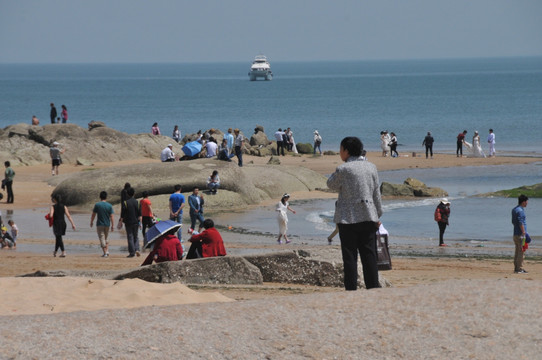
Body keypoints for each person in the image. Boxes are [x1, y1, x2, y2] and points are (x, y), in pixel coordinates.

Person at [327, 136, 383, 290]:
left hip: (347, 219)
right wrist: (377, 215)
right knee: (369, 256)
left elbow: (330, 184)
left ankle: (351, 290)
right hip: (368, 216)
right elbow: (376, 193)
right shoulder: (371, 167)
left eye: (341, 149)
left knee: (350, 257)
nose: (340, 153)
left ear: (346, 150)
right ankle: (373, 288)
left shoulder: (343, 169)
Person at [90, 191, 114, 257]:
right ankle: (107, 251)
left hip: (100, 224)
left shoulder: (97, 205)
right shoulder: (109, 205)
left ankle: (105, 253)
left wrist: (91, 222)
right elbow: (112, 216)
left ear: (100, 197)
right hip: (107, 224)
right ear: (106, 197)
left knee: (101, 238)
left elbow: (93, 214)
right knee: (106, 238)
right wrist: (113, 225)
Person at [118, 187, 141, 258]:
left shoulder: (125, 202)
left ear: (127, 194)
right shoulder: (137, 202)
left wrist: (120, 222)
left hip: (128, 222)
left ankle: (132, 252)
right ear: (134, 194)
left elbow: (123, 214)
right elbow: (140, 214)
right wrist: (140, 223)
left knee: (130, 237)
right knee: (136, 236)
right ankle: (137, 249)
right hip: (136, 222)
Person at [512, 194, 529, 274]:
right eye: (526, 201)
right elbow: (521, 222)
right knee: (521, 251)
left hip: (515, 233)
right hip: (520, 234)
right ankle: (519, 269)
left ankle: (516, 267)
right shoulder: (520, 211)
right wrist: (524, 232)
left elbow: (513, 222)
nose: (527, 203)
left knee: (517, 251)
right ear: (523, 202)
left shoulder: (514, 209)